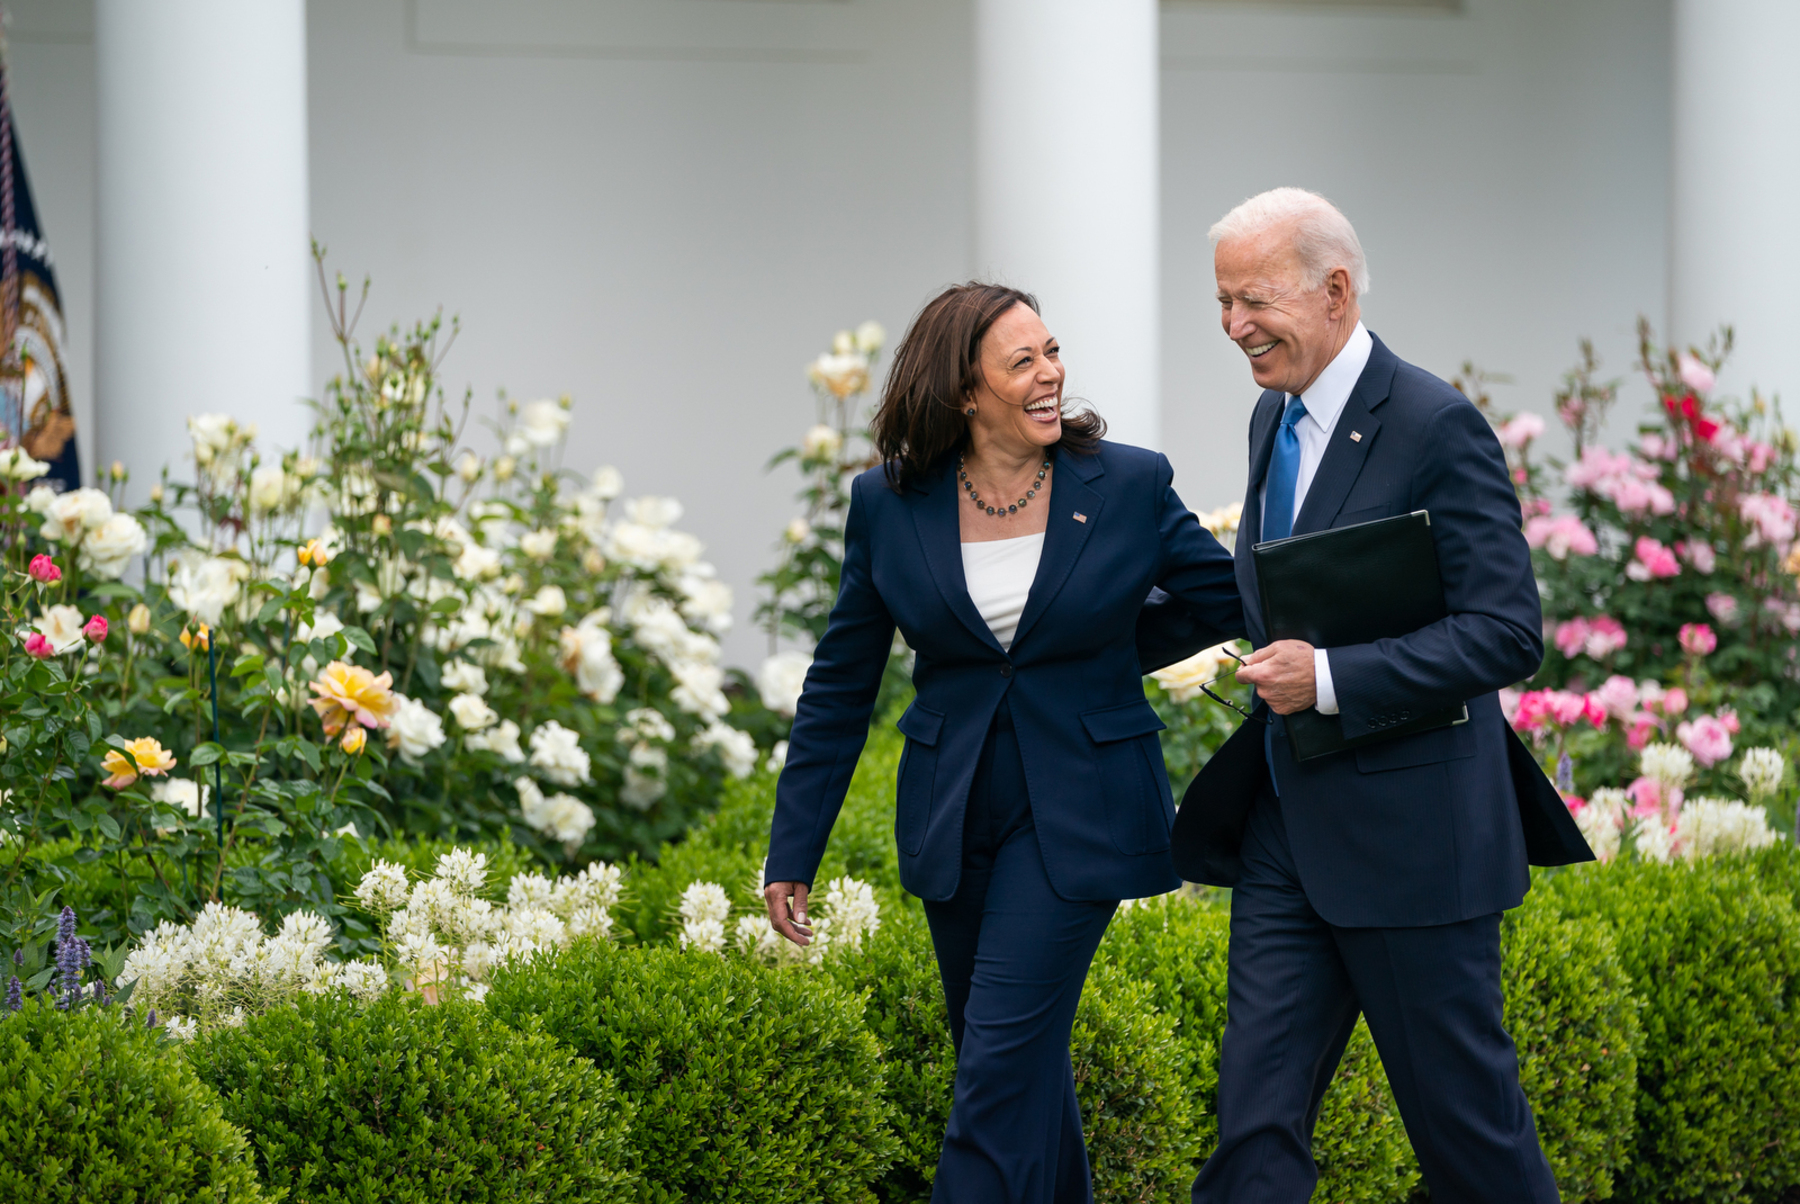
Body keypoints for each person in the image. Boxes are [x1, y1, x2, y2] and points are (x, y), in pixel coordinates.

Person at [763, 282, 1242, 1203]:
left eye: (1052, 352)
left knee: (993, 1073)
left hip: (1083, 811)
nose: (1051, 373)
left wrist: (1103, 656)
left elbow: (1220, 598)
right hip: (954, 811)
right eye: (1022, 361)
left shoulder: (1128, 482)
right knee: (1012, 1063)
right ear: (963, 392)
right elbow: (840, 683)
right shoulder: (888, 503)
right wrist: (795, 849)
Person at [1176, 187, 1570, 1202]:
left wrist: (1334, 678)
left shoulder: (1438, 424)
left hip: (1415, 842)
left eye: (1252, 300)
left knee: (1471, 1146)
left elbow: (1505, 630)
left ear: (1336, 291)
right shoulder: (1273, 414)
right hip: (1286, 833)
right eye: (1222, 302)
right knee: (1251, 1135)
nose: (1233, 326)